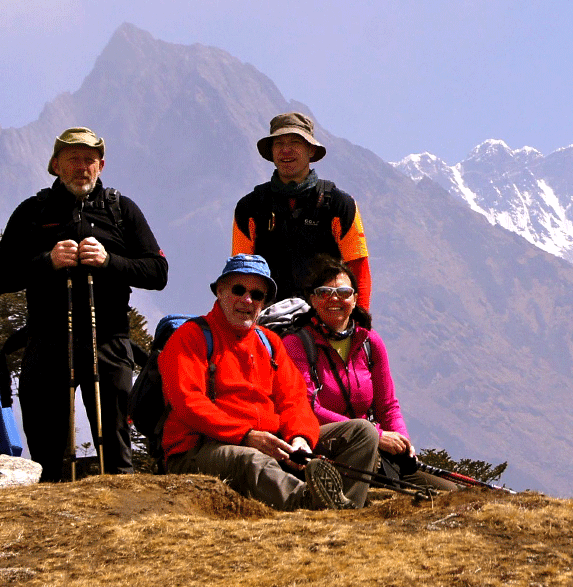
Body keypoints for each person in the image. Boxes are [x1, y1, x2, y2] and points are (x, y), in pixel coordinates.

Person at [0, 127, 168, 481]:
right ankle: (48, 529)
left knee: (117, 455)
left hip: (109, 340)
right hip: (45, 341)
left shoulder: (121, 210)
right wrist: (46, 262)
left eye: (89, 160)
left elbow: (157, 272)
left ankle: (124, 529)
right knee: (46, 456)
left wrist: (110, 262)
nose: (82, 167)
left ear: (101, 166)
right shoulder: (33, 211)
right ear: (55, 165)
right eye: (73, 159)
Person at [160, 254, 379, 510]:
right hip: (201, 447)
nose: (247, 300)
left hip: (269, 443)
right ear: (219, 292)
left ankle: (343, 508)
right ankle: (311, 505)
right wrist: (246, 436)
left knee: (362, 432)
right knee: (251, 461)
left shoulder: (269, 342)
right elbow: (188, 403)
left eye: (257, 294)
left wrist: (300, 440)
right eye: (238, 290)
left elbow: (294, 401)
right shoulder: (190, 336)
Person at [283, 255, 457, 492]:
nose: (335, 299)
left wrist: (402, 442)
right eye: (325, 293)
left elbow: (387, 405)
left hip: (372, 445)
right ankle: (349, 507)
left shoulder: (369, 343)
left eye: (344, 293)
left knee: (449, 493)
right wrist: (376, 434)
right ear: (313, 299)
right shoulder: (296, 344)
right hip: (321, 442)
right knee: (363, 433)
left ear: (355, 299)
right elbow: (307, 407)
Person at [231, 112, 371, 310]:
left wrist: (360, 323)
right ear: (271, 151)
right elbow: (241, 273)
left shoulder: (340, 205)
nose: (286, 150)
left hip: (325, 320)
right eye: (279, 144)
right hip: (266, 323)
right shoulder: (249, 207)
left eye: (295, 142)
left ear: (311, 150)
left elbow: (359, 269)